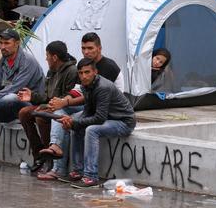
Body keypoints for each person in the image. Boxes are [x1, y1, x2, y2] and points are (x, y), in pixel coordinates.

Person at [37, 32, 125, 180]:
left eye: (90, 48)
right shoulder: (85, 65)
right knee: (58, 111)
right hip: (91, 106)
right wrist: (60, 101)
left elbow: (93, 96)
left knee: (69, 118)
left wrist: (65, 102)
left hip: (108, 110)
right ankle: (57, 155)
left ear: (99, 48)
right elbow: (78, 90)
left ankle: (62, 165)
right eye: (83, 48)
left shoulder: (108, 66)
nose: (86, 52)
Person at [41, 58, 136, 187]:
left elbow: (99, 118)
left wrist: (75, 122)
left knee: (91, 130)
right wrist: (73, 123)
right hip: (109, 117)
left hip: (123, 121)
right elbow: (87, 111)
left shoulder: (103, 87)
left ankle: (91, 176)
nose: (84, 76)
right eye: (81, 73)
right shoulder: (86, 86)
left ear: (95, 72)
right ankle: (77, 171)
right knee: (77, 125)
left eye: (87, 72)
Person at [0, 28, 45, 169]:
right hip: (5, 104)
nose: (3, 46)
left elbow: (15, 88)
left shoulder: (27, 61)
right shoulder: (3, 60)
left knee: (11, 96)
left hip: (27, 104)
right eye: (1, 43)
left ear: (17, 43)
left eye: (7, 43)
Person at [17, 41, 78, 172]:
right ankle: (39, 155)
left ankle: (50, 158)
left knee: (41, 117)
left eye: (47, 56)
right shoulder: (52, 71)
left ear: (54, 57)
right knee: (24, 113)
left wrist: (44, 105)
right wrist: (32, 96)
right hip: (50, 106)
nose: (46, 59)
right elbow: (47, 97)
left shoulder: (72, 71)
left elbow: (66, 98)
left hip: (64, 108)